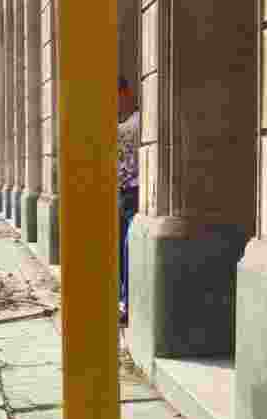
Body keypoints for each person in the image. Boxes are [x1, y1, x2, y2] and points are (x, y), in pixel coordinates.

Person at [118, 76, 140, 327]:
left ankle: (126, 302)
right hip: (125, 194)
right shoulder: (126, 124)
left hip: (132, 193)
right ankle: (124, 299)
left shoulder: (132, 125)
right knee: (123, 249)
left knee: (125, 248)